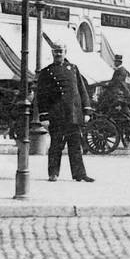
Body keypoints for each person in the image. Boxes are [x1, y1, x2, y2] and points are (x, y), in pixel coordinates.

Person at [37, 43, 93, 182]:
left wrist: (86, 111)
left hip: (73, 114)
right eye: (55, 51)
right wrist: (44, 116)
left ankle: (79, 174)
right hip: (57, 115)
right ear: (52, 53)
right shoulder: (46, 72)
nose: (58, 54)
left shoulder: (73, 69)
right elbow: (42, 96)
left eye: (60, 51)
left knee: (75, 146)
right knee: (56, 145)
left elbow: (82, 90)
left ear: (65, 52)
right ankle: (53, 173)